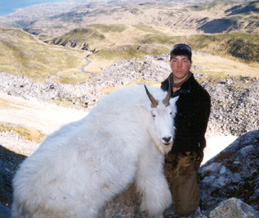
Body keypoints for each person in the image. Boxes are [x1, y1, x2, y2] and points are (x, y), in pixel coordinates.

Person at [161, 44, 211, 217]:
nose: (179, 66)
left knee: (185, 209)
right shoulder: (161, 90)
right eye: (175, 61)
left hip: (185, 153)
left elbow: (195, 134)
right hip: (161, 149)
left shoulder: (200, 96)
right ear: (170, 63)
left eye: (184, 61)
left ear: (190, 64)